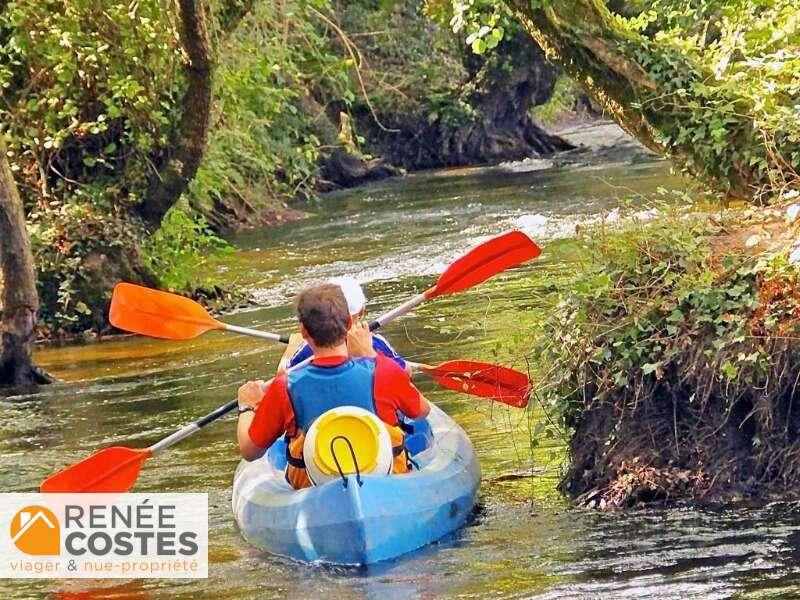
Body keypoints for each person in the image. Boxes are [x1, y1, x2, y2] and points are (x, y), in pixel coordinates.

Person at [237, 283, 430, 489]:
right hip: (387, 478)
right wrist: (371, 357)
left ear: (303, 331)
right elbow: (421, 411)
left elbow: (250, 451)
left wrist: (247, 406)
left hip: (314, 488)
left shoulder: (284, 386)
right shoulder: (384, 370)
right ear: (349, 323)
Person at [278, 276, 412, 376]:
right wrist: (370, 355)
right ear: (361, 311)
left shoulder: (309, 348)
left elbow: (283, 375)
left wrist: (291, 348)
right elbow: (406, 372)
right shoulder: (375, 343)